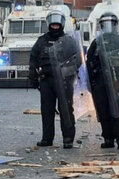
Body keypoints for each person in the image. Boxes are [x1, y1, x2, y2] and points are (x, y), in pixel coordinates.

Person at [29, 10, 81, 149]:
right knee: (47, 110)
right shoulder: (42, 41)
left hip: (64, 81)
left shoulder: (69, 41)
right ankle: (47, 138)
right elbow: (33, 59)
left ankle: (68, 138)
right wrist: (32, 76)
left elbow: (77, 60)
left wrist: (71, 73)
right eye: (53, 25)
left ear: (62, 25)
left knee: (66, 109)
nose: (55, 27)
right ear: (49, 25)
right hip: (46, 80)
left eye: (57, 25)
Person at [86, 12, 119, 150]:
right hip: (101, 82)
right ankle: (108, 138)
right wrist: (91, 82)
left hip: (118, 80)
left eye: (110, 24)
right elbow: (89, 62)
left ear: (115, 25)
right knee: (103, 110)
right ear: (101, 26)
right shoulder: (97, 42)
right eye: (105, 24)